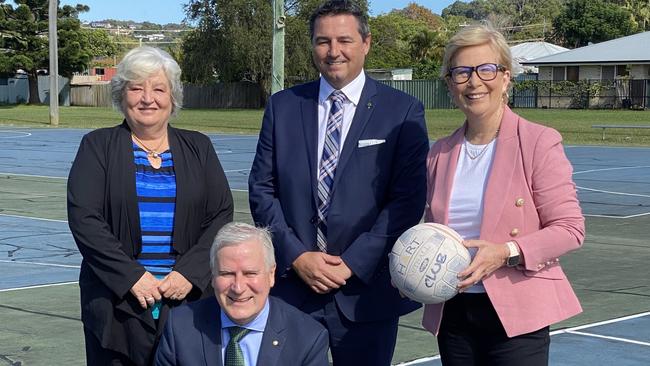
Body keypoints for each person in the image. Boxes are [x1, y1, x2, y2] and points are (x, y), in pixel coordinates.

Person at [248, 1, 429, 364]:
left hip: (366, 293)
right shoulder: (283, 106)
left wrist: (352, 262)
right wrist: (296, 256)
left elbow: (407, 200)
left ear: (366, 42)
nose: (333, 52)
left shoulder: (402, 111)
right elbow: (262, 190)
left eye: (344, 40)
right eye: (322, 41)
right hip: (293, 288)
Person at [421, 24, 585, 365]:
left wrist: (505, 252)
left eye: (486, 69)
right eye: (462, 72)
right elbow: (432, 230)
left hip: (517, 313)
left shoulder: (538, 141)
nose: (474, 81)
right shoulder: (440, 152)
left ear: (506, 77)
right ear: (450, 83)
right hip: (454, 310)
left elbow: (570, 229)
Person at [67, 46, 234, 366]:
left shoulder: (199, 147)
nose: (148, 98)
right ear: (121, 95)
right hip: (117, 306)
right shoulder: (97, 146)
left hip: (189, 302)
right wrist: (131, 277)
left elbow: (220, 214)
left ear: (173, 97)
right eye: (136, 88)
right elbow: (85, 219)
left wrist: (190, 273)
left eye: (159, 88)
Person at [154, 222, 330, 366]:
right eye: (227, 274)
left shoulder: (308, 338)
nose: (238, 287)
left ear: (271, 275)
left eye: (250, 273)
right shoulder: (180, 327)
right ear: (213, 276)